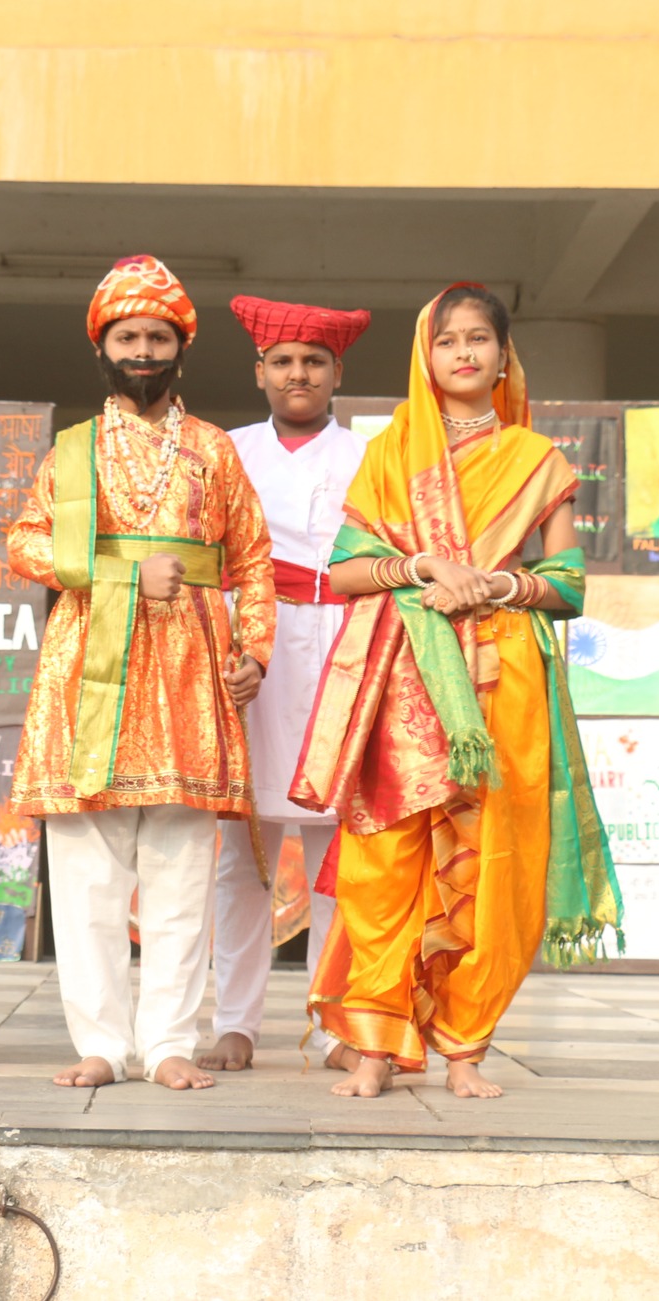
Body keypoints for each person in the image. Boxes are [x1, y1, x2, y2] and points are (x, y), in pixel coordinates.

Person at [291, 282, 620, 1101]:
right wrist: (423, 567)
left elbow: (569, 584)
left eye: (479, 338)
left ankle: (466, 1048)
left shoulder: (537, 460)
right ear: (425, 358)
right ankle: (376, 1044)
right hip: (404, 676)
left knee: (496, 866)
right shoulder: (391, 454)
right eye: (447, 340)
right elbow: (344, 573)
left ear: (505, 355)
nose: (464, 352)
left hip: (504, 679)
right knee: (386, 861)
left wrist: (494, 586)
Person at [9, 256, 275, 1092]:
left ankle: (167, 1044)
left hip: (192, 669)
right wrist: (121, 573)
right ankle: (100, 1043)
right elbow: (24, 543)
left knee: (181, 872)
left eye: (159, 336)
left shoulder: (213, 449)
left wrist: (255, 651)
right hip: (90, 666)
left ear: (181, 348)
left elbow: (253, 560)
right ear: (103, 346)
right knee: (86, 871)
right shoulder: (73, 451)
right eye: (128, 336)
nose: (143, 350)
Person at [202, 295, 371, 1075]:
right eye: (283, 361)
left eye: (313, 361)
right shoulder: (225, 450)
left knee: (339, 851)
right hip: (251, 650)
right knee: (242, 854)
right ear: (259, 371)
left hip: (345, 646)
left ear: (337, 373)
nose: (297, 373)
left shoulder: (371, 455)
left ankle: (337, 1026)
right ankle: (234, 1022)